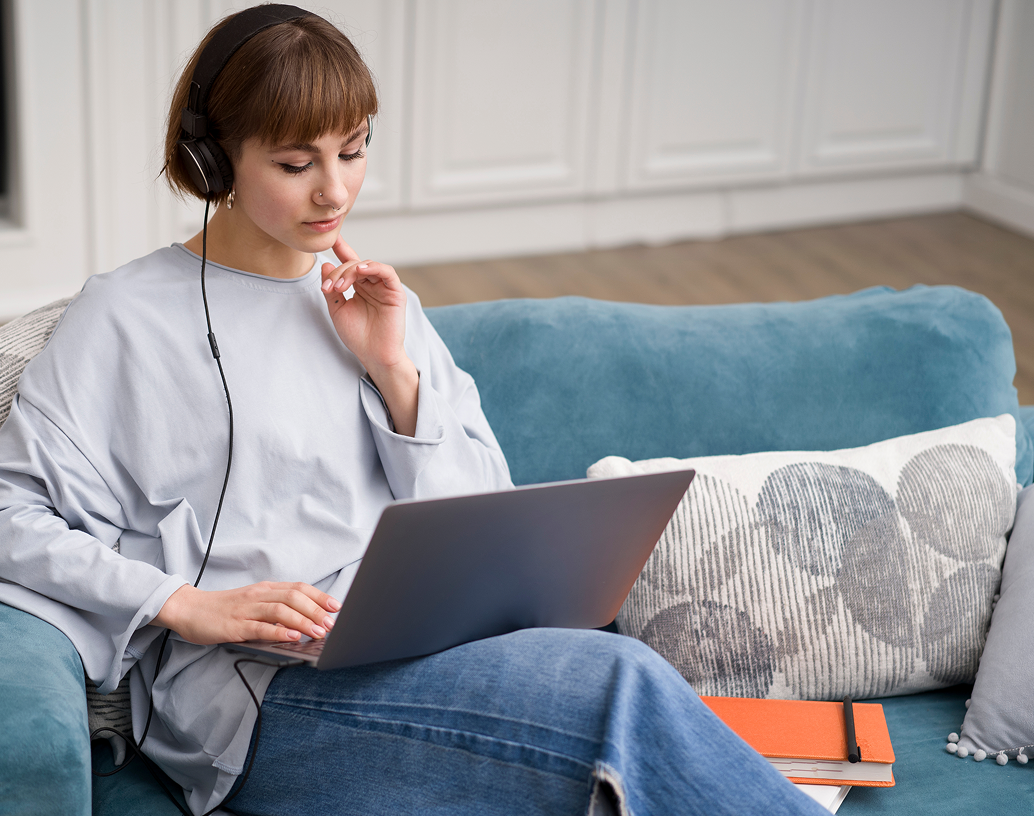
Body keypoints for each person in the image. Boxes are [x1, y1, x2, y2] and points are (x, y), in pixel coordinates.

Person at [0, 6, 830, 815]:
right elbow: (11, 511)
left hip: (426, 654)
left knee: (605, 676)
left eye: (354, 152)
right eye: (296, 165)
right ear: (213, 160)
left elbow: (486, 522)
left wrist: (395, 373)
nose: (335, 191)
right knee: (621, 684)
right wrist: (183, 603)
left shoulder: (377, 306)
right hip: (264, 704)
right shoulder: (124, 316)